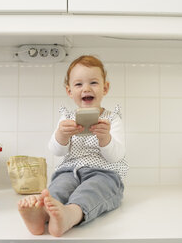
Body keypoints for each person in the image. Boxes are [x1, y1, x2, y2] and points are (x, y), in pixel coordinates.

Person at [17, 55, 128, 237]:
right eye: (78, 84)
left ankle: (71, 214)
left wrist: (105, 138)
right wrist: (61, 135)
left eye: (93, 82)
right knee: (58, 187)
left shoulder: (112, 119)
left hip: (103, 172)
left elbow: (116, 156)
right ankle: (42, 214)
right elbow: (56, 150)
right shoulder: (66, 118)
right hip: (70, 170)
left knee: (92, 190)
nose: (86, 88)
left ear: (105, 88)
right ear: (69, 91)